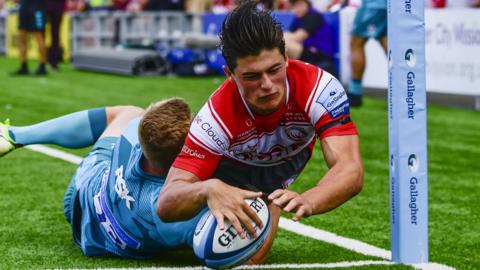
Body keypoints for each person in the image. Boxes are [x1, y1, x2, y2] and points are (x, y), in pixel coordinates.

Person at [157, 1, 364, 263]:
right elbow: (166, 203)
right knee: (152, 233)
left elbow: (350, 169)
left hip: (273, 176)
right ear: (230, 74)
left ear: (287, 58)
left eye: (274, 70)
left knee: (248, 260)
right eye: (252, 76)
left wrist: (308, 200)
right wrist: (208, 189)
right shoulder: (214, 118)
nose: (267, 85)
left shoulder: (320, 90)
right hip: (222, 169)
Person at [0, 99, 258, 261]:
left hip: (86, 187)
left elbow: (143, 119)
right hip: (100, 238)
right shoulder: (171, 212)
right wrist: (276, 189)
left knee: (126, 112)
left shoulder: (134, 135)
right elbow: (246, 252)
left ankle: (13, 134)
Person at [348, 0, 387, 107]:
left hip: (373, 5)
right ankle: (402, 93)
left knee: (356, 43)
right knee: (389, 44)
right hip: (393, 6)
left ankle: (355, 93)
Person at [284, 0, 336, 75]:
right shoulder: (298, 19)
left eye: (299, 4)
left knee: (284, 45)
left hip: (320, 54)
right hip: (306, 51)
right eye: (294, 5)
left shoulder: (313, 15)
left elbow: (297, 37)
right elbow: (289, 34)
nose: (296, 8)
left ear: (306, 4)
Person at [12, 0, 48, 75]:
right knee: (22, 37)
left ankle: (42, 66)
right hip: (25, 6)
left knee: (39, 36)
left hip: (37, 7)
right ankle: (24, 66)